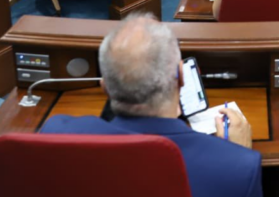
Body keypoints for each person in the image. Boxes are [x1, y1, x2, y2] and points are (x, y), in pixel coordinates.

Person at [40, 15, 262, 197]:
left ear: (104, 88)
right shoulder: (239, 166)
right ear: (181, 79)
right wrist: (239, 150)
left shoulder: (55, 132)